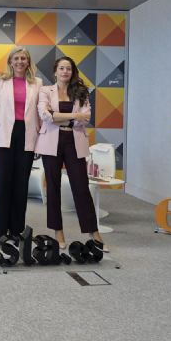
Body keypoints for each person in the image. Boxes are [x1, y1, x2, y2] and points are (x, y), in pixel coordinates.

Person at [35, 56, 106, 250]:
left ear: (73, 72)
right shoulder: (45, 91)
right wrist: (74, 115)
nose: (65, 71)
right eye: (62, 68)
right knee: (53, 187)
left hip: (74, 141)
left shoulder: (81, 91)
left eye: (68, 68)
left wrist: (59, 116)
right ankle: (58, 231)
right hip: (51, 142)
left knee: (81, 187)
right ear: (55, 72)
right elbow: (46, 116)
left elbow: (86, 118)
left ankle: (94, 232)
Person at [0, 47, 42, 239]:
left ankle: (16, 230)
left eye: (23, 58)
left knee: (21, 184)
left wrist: (40, 141)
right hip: (2, 136)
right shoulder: (0, 80)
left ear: (28, 61)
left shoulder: (37, 83)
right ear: (10, 61)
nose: (19, 61)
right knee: (1, 184)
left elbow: (39, 113)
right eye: (16, 58)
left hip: (26, 135)